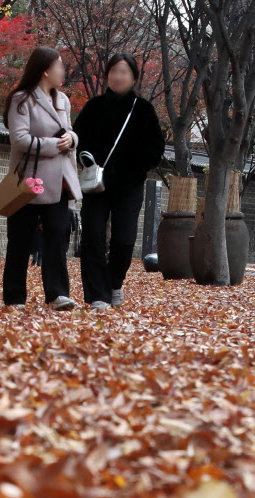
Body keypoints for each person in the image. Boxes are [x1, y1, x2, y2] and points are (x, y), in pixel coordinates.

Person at [74, 53, 165, 310]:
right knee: (92, 238)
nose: (118, 76)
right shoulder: (93, 107)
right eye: (114, 71)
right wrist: (87, 160)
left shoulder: (144, 110)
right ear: (107, 75)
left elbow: (156, 148)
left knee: (124, 240)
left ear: (134, 77)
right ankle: (97, 295)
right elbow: (77, 139)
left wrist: (136, 169)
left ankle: (114, 282)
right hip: (97, 184)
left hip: (129, 186)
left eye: (124, 72)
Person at [2, 47, 82, 310]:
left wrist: (73, 139)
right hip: (27, 181)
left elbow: (70, 133)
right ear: (46, 69)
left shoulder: (64, 101)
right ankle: (14, 296)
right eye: (60, 65)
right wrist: (55, 145)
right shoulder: (21, 100)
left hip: (57, 181)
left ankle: (57, 294)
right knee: (19, 239)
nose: (63, 70)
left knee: (58, 234)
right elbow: (20, 139)